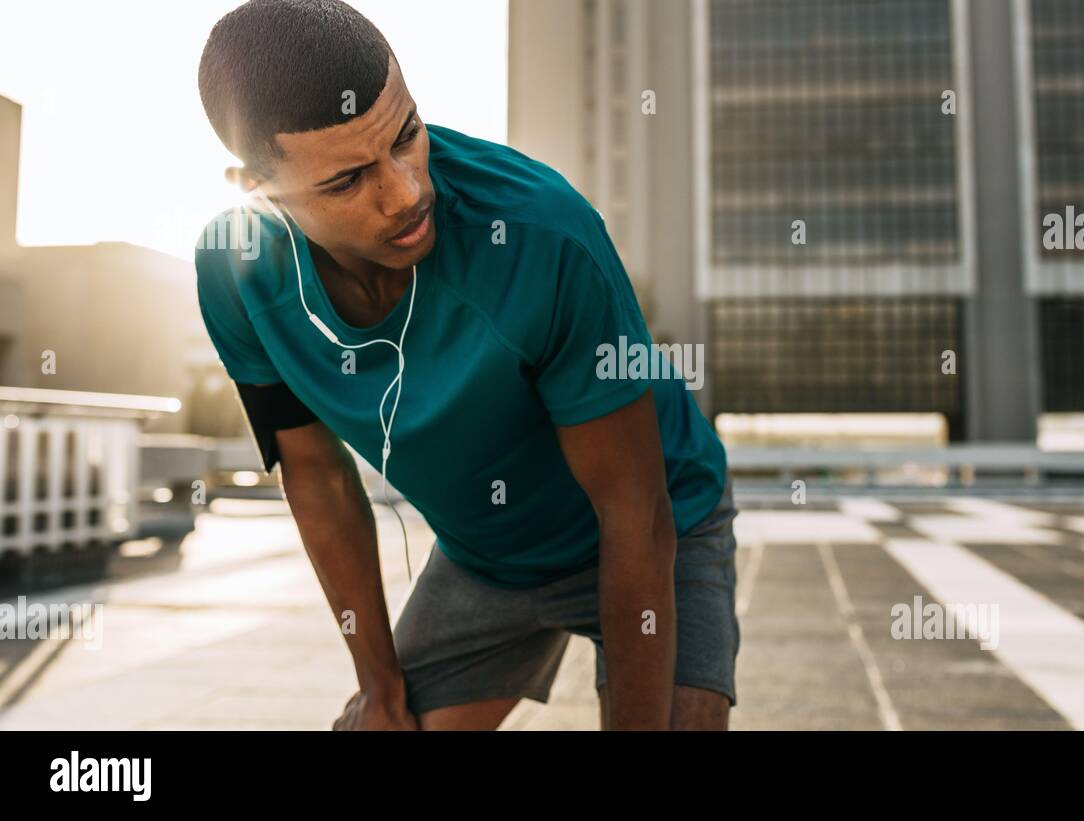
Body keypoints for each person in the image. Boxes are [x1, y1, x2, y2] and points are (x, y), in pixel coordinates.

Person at [194, 0, 738, 730]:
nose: (407, 191)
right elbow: (316, 474)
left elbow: (634, 514)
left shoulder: (545, 236)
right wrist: (378, 684)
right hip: (487, 558)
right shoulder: (237, 270)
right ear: (254, 190)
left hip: (659, 524)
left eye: (406, 135)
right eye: (347, 181)